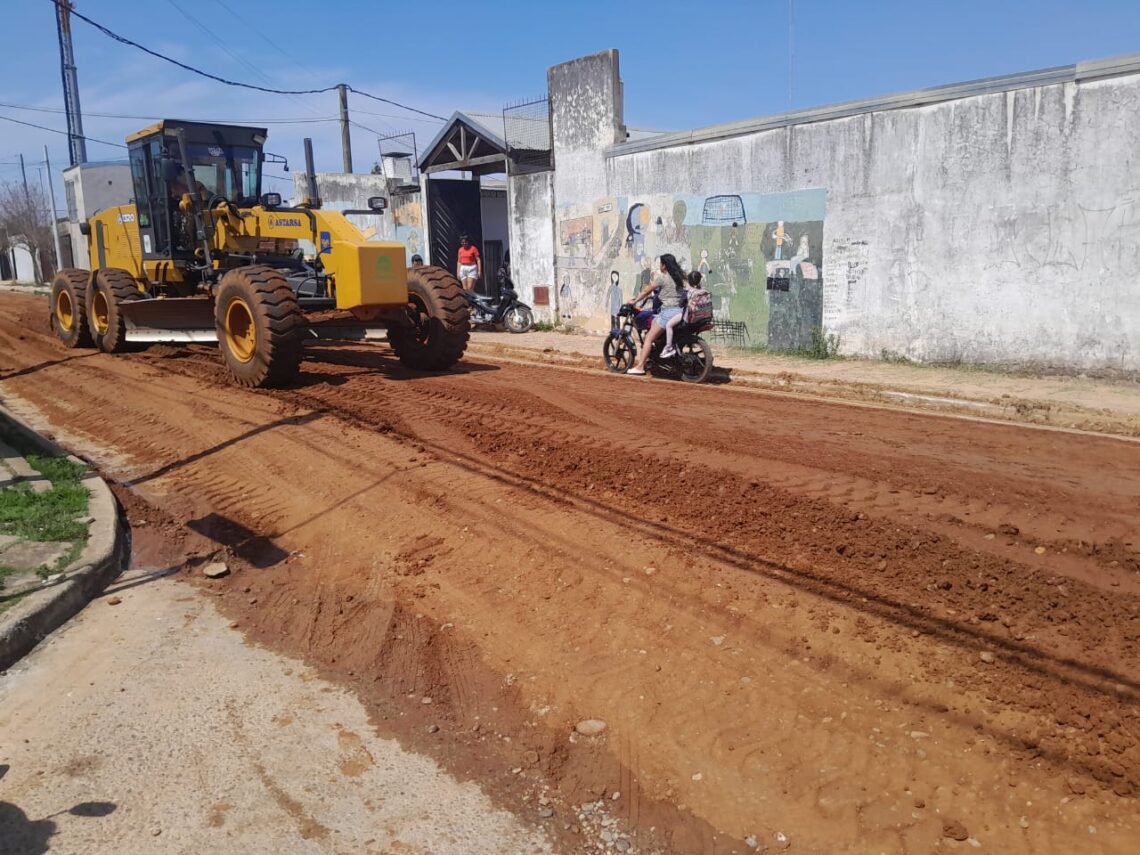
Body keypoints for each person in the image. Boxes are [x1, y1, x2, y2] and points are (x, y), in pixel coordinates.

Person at [626, 253, 686, 376]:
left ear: (664, 266)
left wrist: (635, 301)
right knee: (654, 322)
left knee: (648, 338)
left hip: (668, 313)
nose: (659, 266)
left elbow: (647, 291)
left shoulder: (662, 278)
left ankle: (640, 366)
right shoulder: (680, 277)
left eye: (660, 264)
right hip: (680, 311)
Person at [660, 270, 703, 358]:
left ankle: (669, 347)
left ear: (689, 280)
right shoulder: (702, 291)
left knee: (668, 325)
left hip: (688, 315)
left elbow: (680, 304)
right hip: (700, 317)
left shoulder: (688, 292)